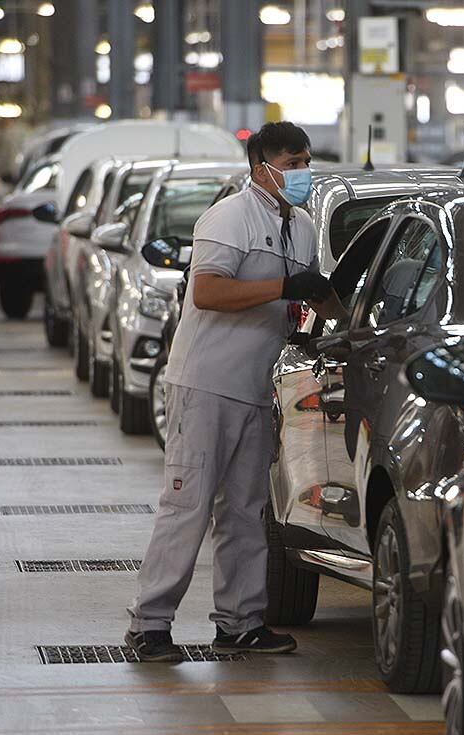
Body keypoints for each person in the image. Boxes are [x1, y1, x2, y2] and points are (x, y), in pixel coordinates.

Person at [125, 121, 342, 662]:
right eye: (291, 163)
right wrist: (284, 287)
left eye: (305, 161)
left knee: (246, 510)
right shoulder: (228, 217)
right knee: (187, 504)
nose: (301, 172)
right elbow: (209, 291)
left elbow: (300, 301)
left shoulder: (303, 226)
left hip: (256, 389)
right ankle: (149, 625)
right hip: (205, 385)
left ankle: (240, 622)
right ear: (260, 167)